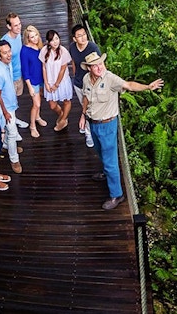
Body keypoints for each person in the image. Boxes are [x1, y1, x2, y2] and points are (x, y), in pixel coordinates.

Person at [78, 52, 164, 210]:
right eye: (95, 65)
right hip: (93, 123)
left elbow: (128, 85)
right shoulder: (86, 79)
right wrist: (83, 115)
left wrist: (147, 87)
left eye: (101, 64)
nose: (99, 67)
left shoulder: (110, 78)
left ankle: (116, 195)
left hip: (108, 125)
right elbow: (86, 97)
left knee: (110, 160)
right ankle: (106, 173)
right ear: (89, 68)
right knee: (99, 151)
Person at [0, 39, 24, 174]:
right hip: (5, 107)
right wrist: (5, 112)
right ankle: (14, 160)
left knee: (10, 132)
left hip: (10, 103)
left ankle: (8, 146)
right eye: (5, 53)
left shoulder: (8, 64)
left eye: (9, 51)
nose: (9, 55)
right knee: (11, 133)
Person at [69, 23, 101, 149]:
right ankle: (87, 129)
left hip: (91, 84)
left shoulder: (93, 47)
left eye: (84, 34)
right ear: (74, 38)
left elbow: (100, 65)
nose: (83, 38)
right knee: (85, 107)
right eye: (79, 36)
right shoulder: (72, 47)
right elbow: (73, 61)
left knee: (88, 108)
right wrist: (75, 73)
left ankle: (88, 132)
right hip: (78, 83)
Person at [39, 29, 73, 132]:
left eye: (57, 38)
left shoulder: (63, 51)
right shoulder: (44, 50)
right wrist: (46, 83)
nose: (55, 42)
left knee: (67, 101)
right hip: (49, 81)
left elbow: (63, 69)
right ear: (48, 42)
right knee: (52, 105)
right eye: (52, 40)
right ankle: (62, 114)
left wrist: (56, 84)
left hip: (61, 81)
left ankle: (63, 120)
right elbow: (44, 67)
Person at [0, 12, 29, 128]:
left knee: (15, 99)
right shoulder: (5, 42)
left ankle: (14, 119)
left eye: (19, 24)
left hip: (18, 75)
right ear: (8, 26)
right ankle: (8, 127)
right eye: (15, 25)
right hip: (10, 77)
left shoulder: (18, 36)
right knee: (9, 102)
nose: (19, 27)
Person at [20, 25, 47, 138]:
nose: (35, 38)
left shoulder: (40, 47)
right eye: (32, 37)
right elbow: (25, 71)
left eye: (36, 35)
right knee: (36, 104)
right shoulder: (25, 51)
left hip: (41, 78)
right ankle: (32, 126)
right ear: (28, 38)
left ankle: (38, 117)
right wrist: (29, 87)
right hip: (33, 81)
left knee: (40, 98)